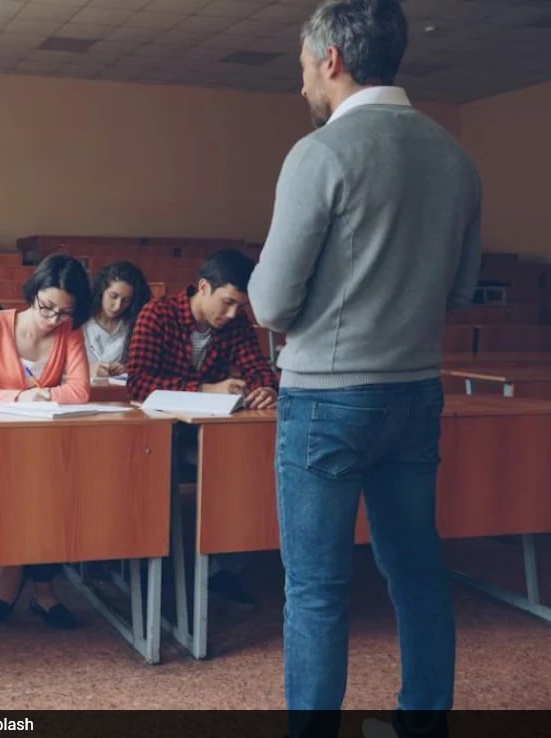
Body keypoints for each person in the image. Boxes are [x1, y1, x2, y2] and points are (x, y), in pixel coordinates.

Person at [247, 1, 482, 736]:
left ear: (332, 59)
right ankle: (422, 726)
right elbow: (461, 290)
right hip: (415, 391)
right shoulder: (456, 156)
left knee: (315, 589)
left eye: (302, 65)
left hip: (327, 400)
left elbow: (272, 304)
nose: (303, 82)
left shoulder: (319, 153)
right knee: (417, 573)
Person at [126, 248, 279, 606]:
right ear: (203, 288)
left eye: (240, 307)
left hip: (207, 434)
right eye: (226, 303)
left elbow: (258, 368)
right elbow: (140, 385)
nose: (231, 314)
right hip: (159, 435)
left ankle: (224, 569)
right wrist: (205, 389)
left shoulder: (236, 324)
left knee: (251, 468)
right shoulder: (157, 314)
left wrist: (265, 389)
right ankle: (154, 566)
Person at [0, 253, 91, 629]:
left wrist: (44, 397)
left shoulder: (70, 330)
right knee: (17, 499)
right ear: (33, 293)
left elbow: (80, 392)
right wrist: (19, 398)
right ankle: (13, 576)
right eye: (47, 307)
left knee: (52, 499)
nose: (53, 320)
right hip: (1, 445)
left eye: (64, 312)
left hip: (48, 447)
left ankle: (42, 588)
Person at [83, 262, 151, 378]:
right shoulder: (81, 321)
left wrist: (125, 369)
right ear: (102, 291)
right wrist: (90, 370)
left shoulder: (133, 327)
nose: (118, 306)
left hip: (115, 391)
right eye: (113, 296)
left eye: (126, 300)